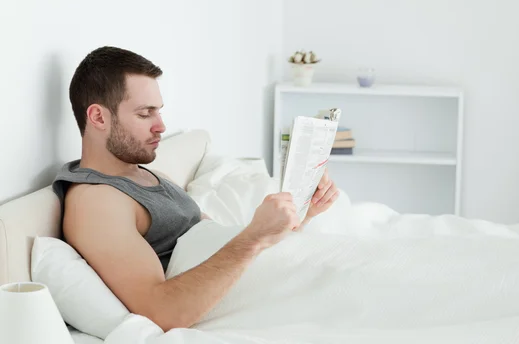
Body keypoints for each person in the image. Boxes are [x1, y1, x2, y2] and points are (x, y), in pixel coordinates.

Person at [52, 46, 340, 332]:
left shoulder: (149, 175)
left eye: (159, 112)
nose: (161, 126)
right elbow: (161, 311)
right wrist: (254, 236)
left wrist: (303, 215)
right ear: (99, 118)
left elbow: (223, 249)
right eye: (145, 114)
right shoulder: (96, 202)